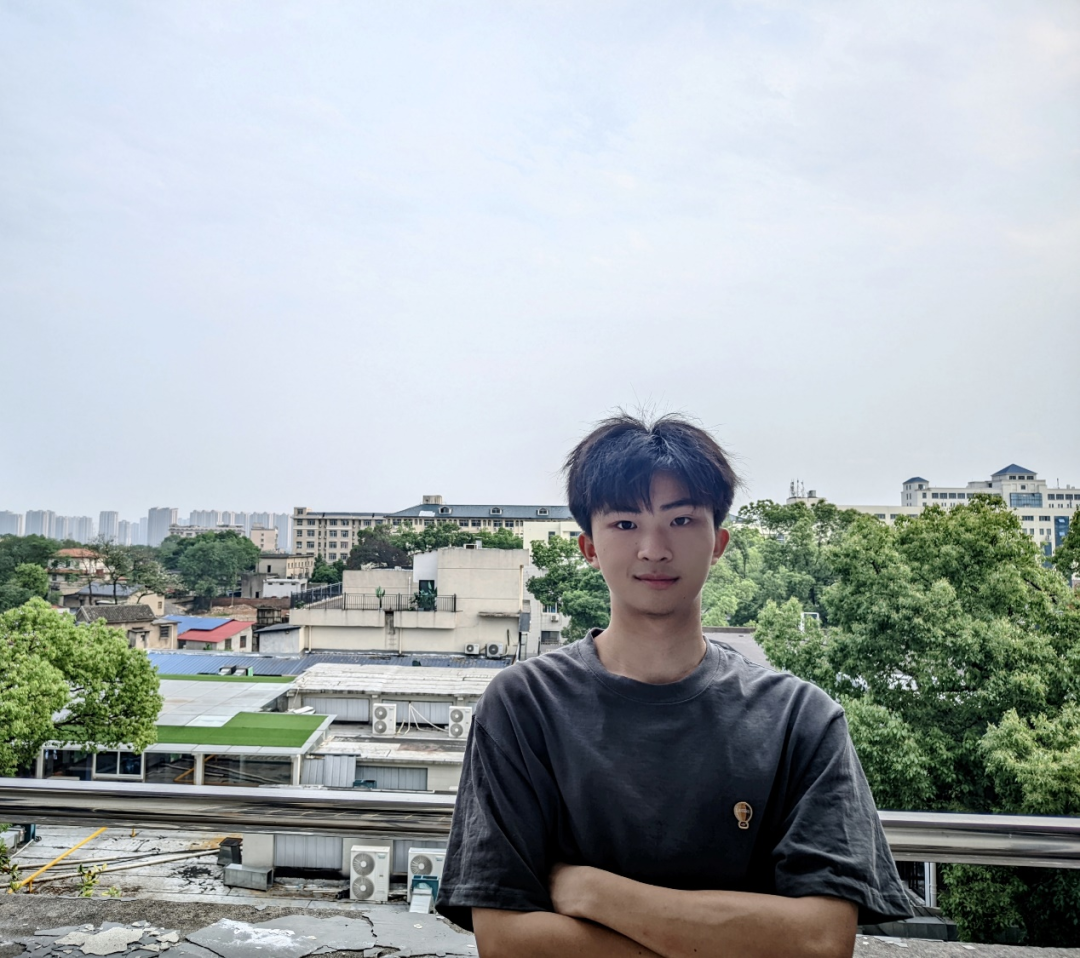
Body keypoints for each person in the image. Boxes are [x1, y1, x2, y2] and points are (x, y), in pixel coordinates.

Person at [435, 413, 912, 958]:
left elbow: (822, 940)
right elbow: (507, 941)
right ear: (589, 547)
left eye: (681, 520)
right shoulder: (525, 706)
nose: (654, 549)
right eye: (625, 524)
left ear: (719, 542)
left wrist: (593, 891)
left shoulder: (799, 718)